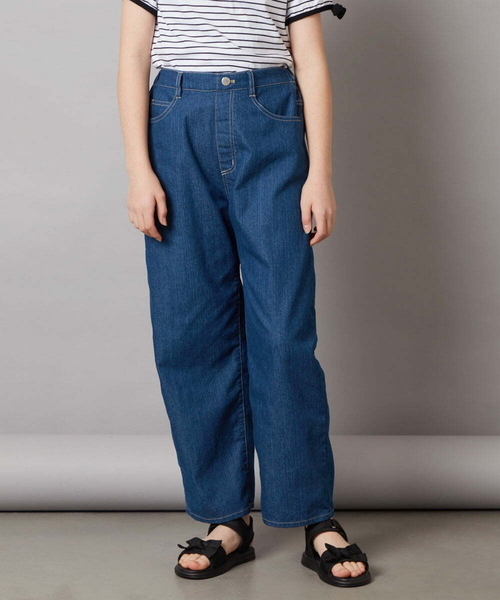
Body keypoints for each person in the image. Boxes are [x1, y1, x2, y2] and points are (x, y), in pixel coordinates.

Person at [117, 0, 371, 587]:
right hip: (175, 127)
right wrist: (138, 170)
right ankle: (225, 517)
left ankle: (315, 517)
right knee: (189, 332)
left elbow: (310, 62)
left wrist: (321, 174)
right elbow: (133, 58)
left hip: (271, 120)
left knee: (283, 335)